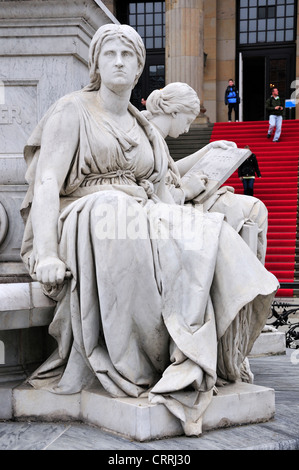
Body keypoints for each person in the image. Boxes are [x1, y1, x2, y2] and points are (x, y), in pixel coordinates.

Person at [20, 24, 278, 436]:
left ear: (140, 68)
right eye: (110, 54)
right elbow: (48, 181)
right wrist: (47, 253)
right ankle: (135, 365)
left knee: (203, 227)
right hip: (86, 212)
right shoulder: (73, 111)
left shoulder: (143, 129)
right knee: (118, 211)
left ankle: (192, 353)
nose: (119, 62)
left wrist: (195, 199)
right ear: (96, 63)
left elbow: (165, 193)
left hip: (142, 213)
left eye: (128, 56)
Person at [143, 83, 268, 265]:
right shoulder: (147, 138)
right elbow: (153, 194)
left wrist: (208, 149)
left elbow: (170, 170)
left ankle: (252, 279)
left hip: (181, 200)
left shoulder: (155, 137)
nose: (186, 130)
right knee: (254, 209)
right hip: (175, 206)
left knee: (254, 208)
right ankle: (252, 281)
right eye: (187, 122)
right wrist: (186, 191)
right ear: (174, 112)